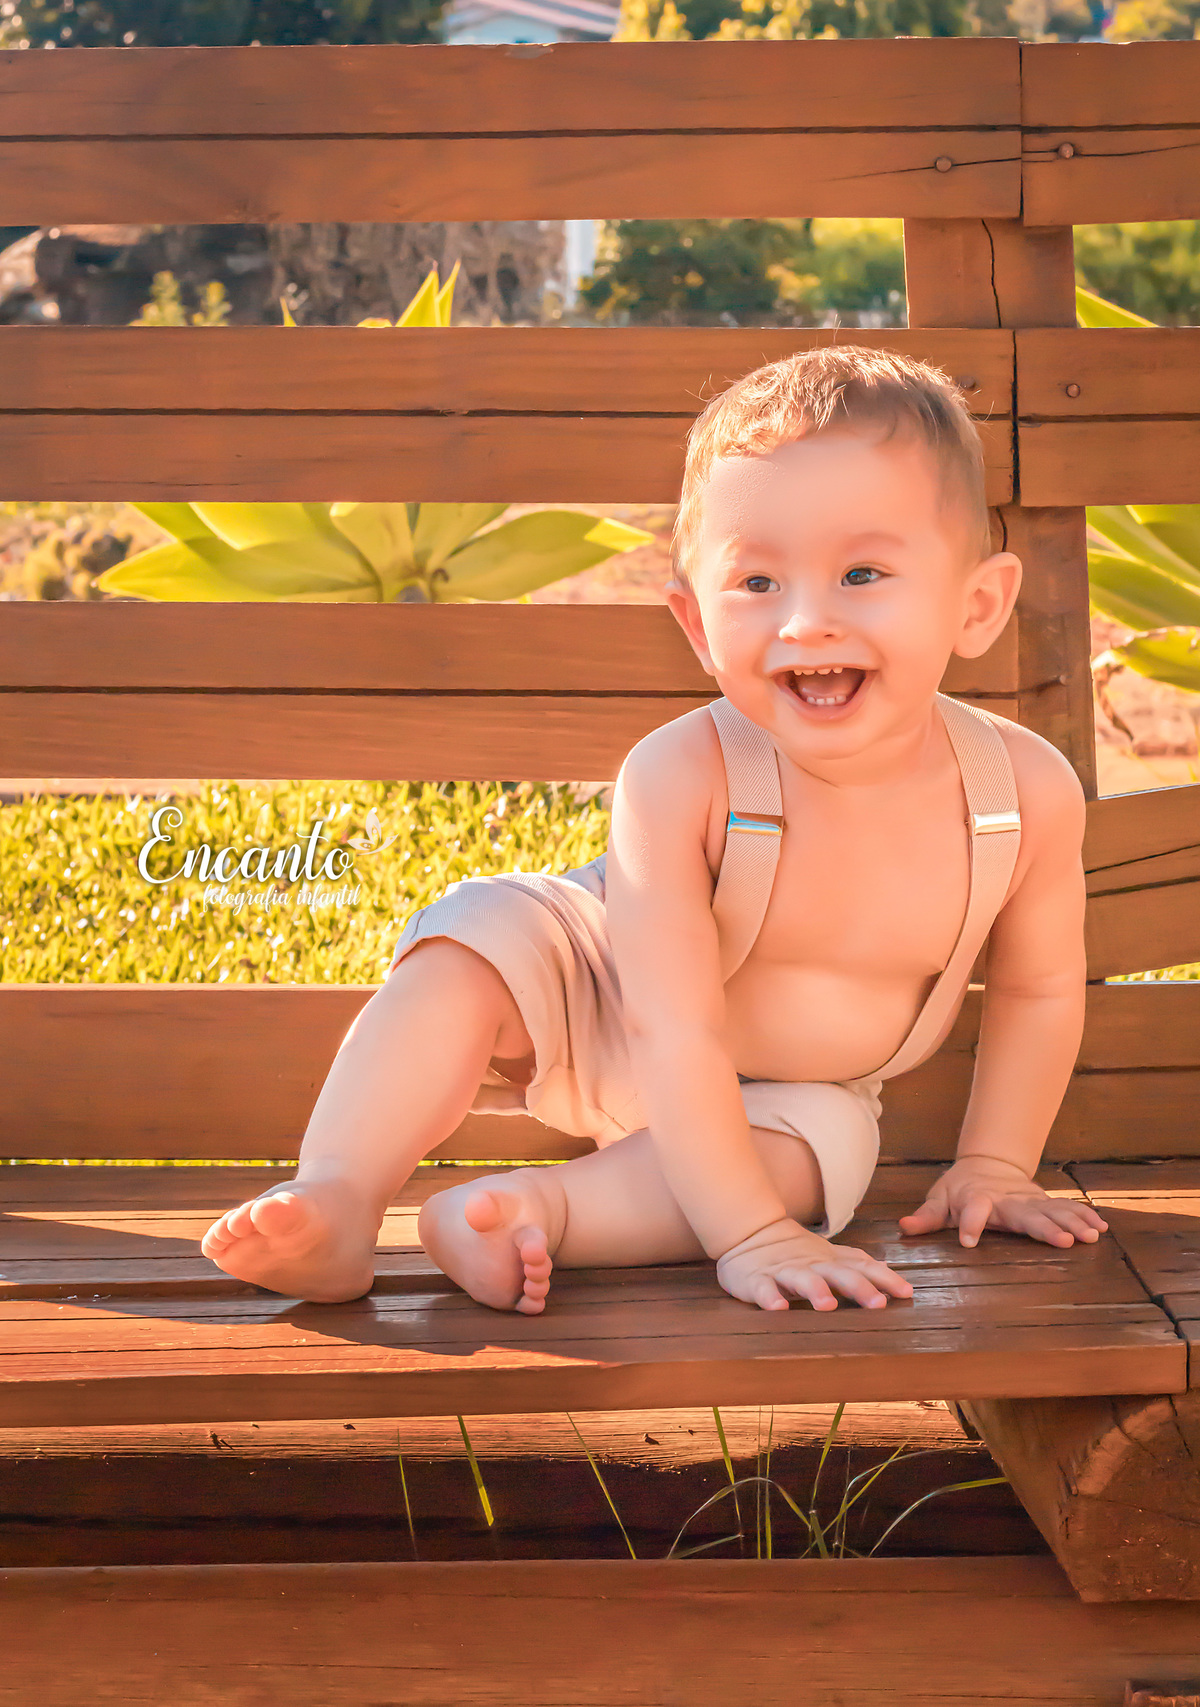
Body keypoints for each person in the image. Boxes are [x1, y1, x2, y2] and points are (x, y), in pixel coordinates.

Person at [201, 345, 1108, 1313]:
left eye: (862, 572)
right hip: (603, 989)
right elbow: (666, 1023)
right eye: (757, 584)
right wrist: (751, 1239)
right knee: (473, 938)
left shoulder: (1019, 798)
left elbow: (1039, 990)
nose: (805, 621)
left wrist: (997, 1164)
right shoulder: (684, 774)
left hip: (794, 1091)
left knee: (820, 1157)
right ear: (697, 625)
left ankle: (532, 1211)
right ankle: (339, 1193)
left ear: (977, 605)